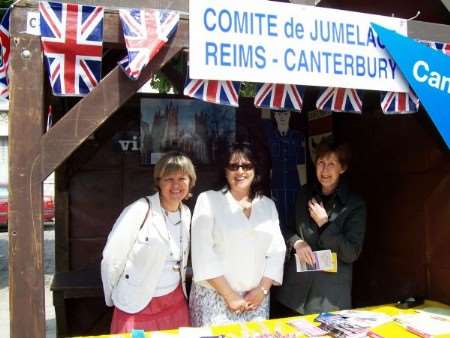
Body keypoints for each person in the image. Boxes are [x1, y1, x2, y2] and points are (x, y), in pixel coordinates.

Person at [189, 142, 286, 326]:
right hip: (215, 298)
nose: (240, 171)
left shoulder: (267, 205)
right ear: (225, 171)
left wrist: (263, 290)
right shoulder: (209, 200)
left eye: (246, 165)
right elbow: (203, 253)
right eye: (233, 166)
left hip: (256, 299)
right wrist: (230, 295)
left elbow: (277, 251)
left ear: (255, 169)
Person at [101, 152, 197, 333]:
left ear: (190, 181)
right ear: (158, 182)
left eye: (182, 178)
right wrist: (117, 297)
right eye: (169, 178)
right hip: (137, 305)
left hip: (175, 303)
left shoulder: (186, 213)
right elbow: (111, 259)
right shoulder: (139, 210)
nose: (176, 185)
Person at [274, 137, 366, 315]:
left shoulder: (355, 205)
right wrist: (296, 242)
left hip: (329, 298)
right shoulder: (304, 193)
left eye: (332, 163)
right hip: (294, 294)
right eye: (321, 162)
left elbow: (351, 253)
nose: (325, 170)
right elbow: (284, 228)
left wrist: (325, 224)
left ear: (343, 168)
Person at [261, 109, 307, 236]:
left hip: (294, 185)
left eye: (285, 114)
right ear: (274, 115)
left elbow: (301, 164)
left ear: (290, 115)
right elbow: (264, 118)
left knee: (295, 217)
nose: (282, 117)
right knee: (277, 218)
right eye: (279, 114)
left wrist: (304, 190)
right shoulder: (271, 135)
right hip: (276, 185)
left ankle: (293, 247)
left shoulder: (298, 137)